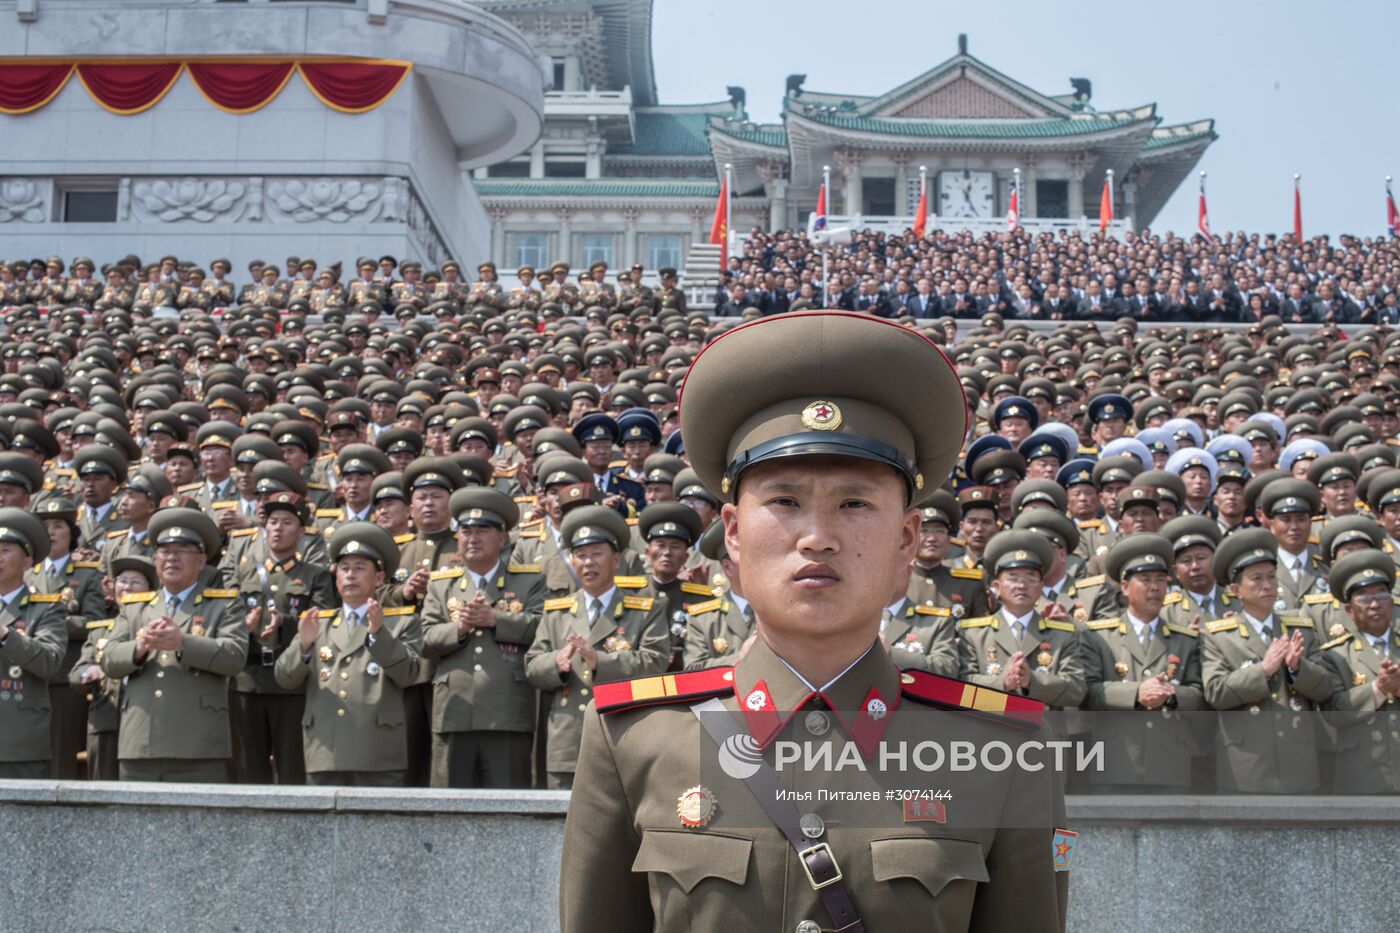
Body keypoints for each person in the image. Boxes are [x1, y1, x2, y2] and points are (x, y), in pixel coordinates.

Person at [560, 313, 1067, 932]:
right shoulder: (634, 737)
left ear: (907, 540)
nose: (818, 538)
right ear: (736, 534)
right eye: (785, 502)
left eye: (854, 504)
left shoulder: (1006, 749)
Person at [525, 505, 668, 789]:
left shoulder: (644, 609)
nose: (588, 563)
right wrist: (556, 663)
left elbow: (656, 663)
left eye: (596, 554)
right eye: (580, 555)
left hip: (624, 735)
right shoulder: (556, 613)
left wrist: (599, 661)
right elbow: (531, 665)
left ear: (616, 559)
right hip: (567, 739)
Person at [100, 508, 248, 782]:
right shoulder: (136, 607)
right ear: (155, 559)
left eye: (182, 550)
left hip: (198, 744)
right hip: (139, 740)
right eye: (165, 551)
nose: (172, 557)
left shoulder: (223, 604)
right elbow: (108, 659)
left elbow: (234, 657)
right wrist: (139, 647)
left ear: (202, 560)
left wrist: (183, 642)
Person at [275, 524, 421, 787]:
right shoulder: (318, 623)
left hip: (377, 752)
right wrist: (304, 647)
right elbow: (284, 678)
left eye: (359, 568)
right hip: (325, 750)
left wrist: (379, 635)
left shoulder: (400, 623)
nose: (350, 575)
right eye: (344, 568)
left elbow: (409, 674)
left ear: (378, 578)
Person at [419, 488, 546, 788]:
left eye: (482, 531)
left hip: (507, 712)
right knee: (449, 808)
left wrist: (495, 620)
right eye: (466, 531)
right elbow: (424, 640)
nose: (472, 538)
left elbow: (544, 628)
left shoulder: (528, 581)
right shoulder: (441, 585)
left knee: (508, 807)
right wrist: (459, 629)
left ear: (502, 539)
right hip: (454, 711)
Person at [1200, 527, 1332, 794]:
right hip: (1248, 762)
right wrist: (1264, 669)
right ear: (1236, 589)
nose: (1267, 585)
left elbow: (1326, 687)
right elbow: (1215, 692)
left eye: (1272, 577)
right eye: (1257, 578)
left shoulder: (1300, 629)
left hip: (1298, 760)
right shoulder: (1218, 636)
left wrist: (1297, 668)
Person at [1080, 534, 1205, 792]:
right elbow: (1086, 691)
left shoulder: (1185, 639)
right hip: (1116, 759)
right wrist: (1137, 692)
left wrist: (1169, 695)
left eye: (1161, 580)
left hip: (1170, 761)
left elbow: (1200, 696)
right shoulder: (1098, 636)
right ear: (1125, 587)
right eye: (1145, 580)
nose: (1155, 587)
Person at [230, 492, 336, 784]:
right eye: (273, 521)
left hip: (292, 683)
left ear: (302, 532)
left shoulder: (315, 575)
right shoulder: (244, 572)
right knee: (249, 770)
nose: (277, 528)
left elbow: (324, 622)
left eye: (287, 522)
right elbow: (226, 619)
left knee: (293, 770)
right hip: (248, 681)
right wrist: (244, 627)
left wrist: (288, 624)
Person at [0, 509, 67, 778]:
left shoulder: (45, 609)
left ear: (27, 560)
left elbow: (48, 662)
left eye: (5, 550)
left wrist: (6, 635)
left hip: (17, 739)